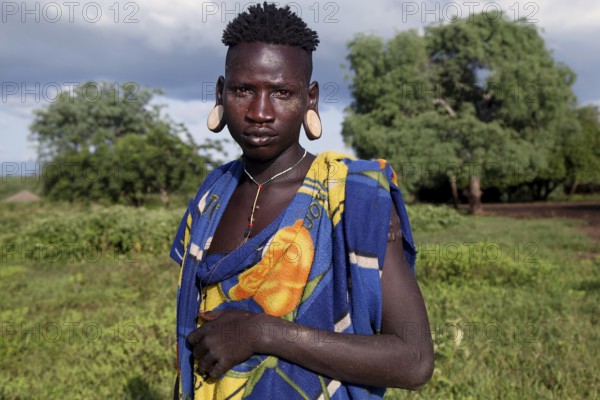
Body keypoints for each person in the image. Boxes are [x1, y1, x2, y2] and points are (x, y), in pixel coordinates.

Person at [170, 3, 434, 399]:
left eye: (282, 93)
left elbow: (413, 360)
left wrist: (262, 332)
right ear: (221, 93)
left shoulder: (353, 198)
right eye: (244, 90)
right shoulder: (211, 195)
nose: (260, 112)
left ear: (310, 99)